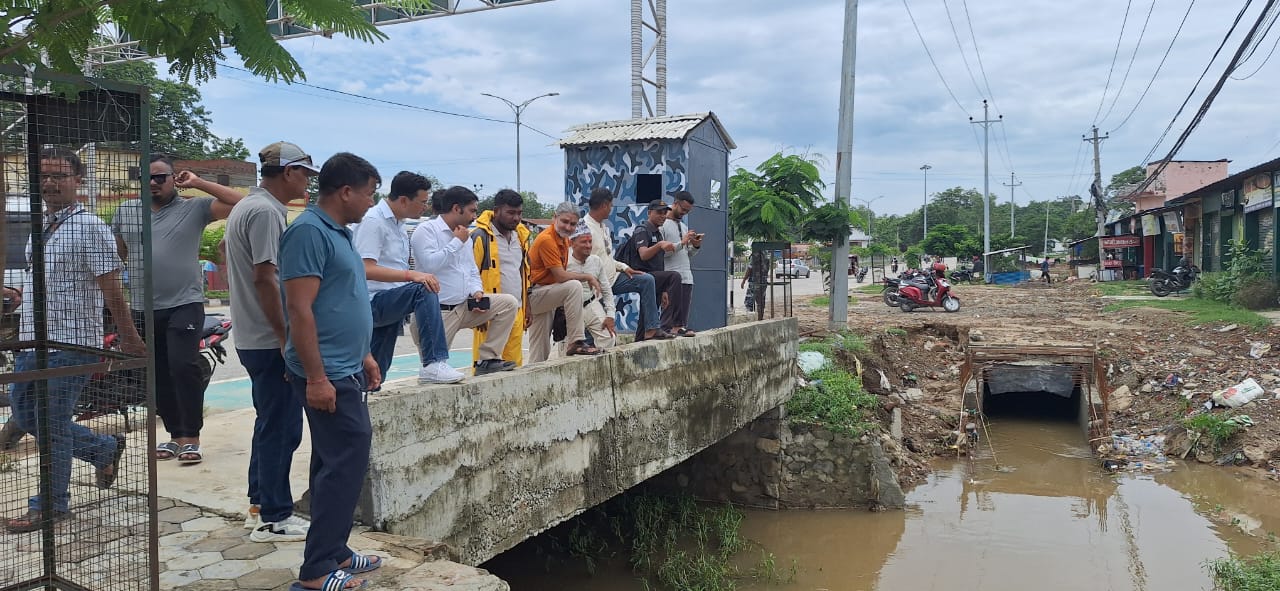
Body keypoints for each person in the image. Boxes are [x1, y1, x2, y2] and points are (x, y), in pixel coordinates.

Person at [4, 148, 145, 533]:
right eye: (43, 176)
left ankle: (50, 505)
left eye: (58, 175)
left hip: (72, 345)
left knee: (50, 423)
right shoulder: (42, 227)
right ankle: (102, 449)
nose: (49, 182)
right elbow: (46, 281)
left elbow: (112, 290)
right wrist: (17, 294)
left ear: (78, 181)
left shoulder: (91, 228)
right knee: (27, 416)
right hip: (31, 341)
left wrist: (130, 340)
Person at [280, 152, 385, 591]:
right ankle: (317, 570)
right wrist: (318, 378)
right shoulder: (308, 231)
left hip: (346, 366)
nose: (370, 203)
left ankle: (336, 551)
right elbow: (300, 310)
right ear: (345, 191)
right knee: (346, 461)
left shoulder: (338, 232)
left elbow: (340, 299)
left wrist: (364, 354)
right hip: (325, 373)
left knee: (332, 463)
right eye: (368, 194)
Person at [112, 154, 243, 464]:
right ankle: (173, 436)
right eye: (147, 178)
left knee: (183, 366)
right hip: (143, 307)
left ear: (174, 178)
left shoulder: (193, 208)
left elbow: (240, 203)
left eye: (161, 177)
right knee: (158, 374)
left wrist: (198, 183)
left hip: (185, 303)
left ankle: (191, 437)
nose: (154, 183)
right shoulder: (127, 211)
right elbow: (119, 254)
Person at [223, 141, 316, 542]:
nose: (308, 182)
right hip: (266, 338)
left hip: (252, 335)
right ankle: (275, 517)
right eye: (305, 174)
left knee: (270, 423)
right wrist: (285, 336)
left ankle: (260, 504)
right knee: (281, 427)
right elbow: (266, 277)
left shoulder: (251, 206)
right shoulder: (264, 212)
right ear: (289, 173)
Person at [351, 171, 463, 385]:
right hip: (372, 301)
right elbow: (364, 268)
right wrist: (411, 275)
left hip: (391, 301)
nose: (426, 207)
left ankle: (365, 407)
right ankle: (433, 362)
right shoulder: (374, 222)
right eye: (422, 202)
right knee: (423, 287)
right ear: (403, 200)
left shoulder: (399, 225)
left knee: (375, 376)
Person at [410, 186, 519, 375]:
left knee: (508, 304)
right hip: (437, 313)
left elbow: (471, 271)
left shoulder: (464, 235)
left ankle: (488, 359)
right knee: (434, 372)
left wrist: (476, 291)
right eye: (472, 210)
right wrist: (456, 242)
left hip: (463, 306)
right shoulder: (426, 231)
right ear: (456, 209)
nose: (475, 216)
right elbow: (429, 265)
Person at [582, 188, 672, 341]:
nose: (611, 209)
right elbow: (582, 261)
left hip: (613, 277)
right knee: (598, 331)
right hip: (595, 285)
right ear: (604, 205)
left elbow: (607, 258)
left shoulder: (604, 227)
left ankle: (651, 328)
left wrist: (624, 267)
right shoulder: (584, 228)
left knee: (646, 280)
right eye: (610, 206)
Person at [527, 202, 605, 362]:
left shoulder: (563, 240)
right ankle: (576, 340)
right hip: (535, 293)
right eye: (564, 221)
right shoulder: (547, 240)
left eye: (573, 224)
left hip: (546, 293)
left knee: (540, 351)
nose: (568, 227)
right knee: (574, 286)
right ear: (554, 218)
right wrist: (588, 277)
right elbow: (561, 276)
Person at [471, 189, 530, 366]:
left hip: (517, 311)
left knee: (514, 364)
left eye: (519, 213)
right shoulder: (480, 237)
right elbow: (471, 274)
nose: (516, 218)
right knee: (486, 364)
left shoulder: (521, 237)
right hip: (490, 312)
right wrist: (477, 311)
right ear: (496, 211)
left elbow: (524, 274)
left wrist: (528, 307)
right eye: (510, 213)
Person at [614, 200, 680, 330]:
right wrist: (659, 245)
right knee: (675, 277)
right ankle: (672, 325)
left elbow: (659, 263)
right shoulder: (642, 230)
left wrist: (664, 290)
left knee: (649, 314)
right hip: (642, 274)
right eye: (659, 212)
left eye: (665, 212)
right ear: (649, 213)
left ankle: (643, 338)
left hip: (655, 277)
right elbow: (643, 254)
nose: (663, 216)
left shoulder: (658, 233)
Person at [566, 223, 617, 349]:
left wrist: (610, 314)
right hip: (570, 309)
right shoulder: (564, 261)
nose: (588, 246)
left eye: (590, 241)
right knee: (569, 348)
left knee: (608, 337)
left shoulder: (595, 260)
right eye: (584, 242)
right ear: (572, 243)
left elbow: (606, 289)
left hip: (591, 303)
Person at [659, 190, 702, 337]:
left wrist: (695, 245)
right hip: (671, 276)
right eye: (683, 209)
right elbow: (662, 253)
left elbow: (688, 254)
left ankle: (680, 328)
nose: (684, 213)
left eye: (688, 211)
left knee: (681, 320)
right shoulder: (662, 225)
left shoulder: (683, 227)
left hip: (686, 276)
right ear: (675, 204)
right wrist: (682, 242)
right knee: (668, 319)